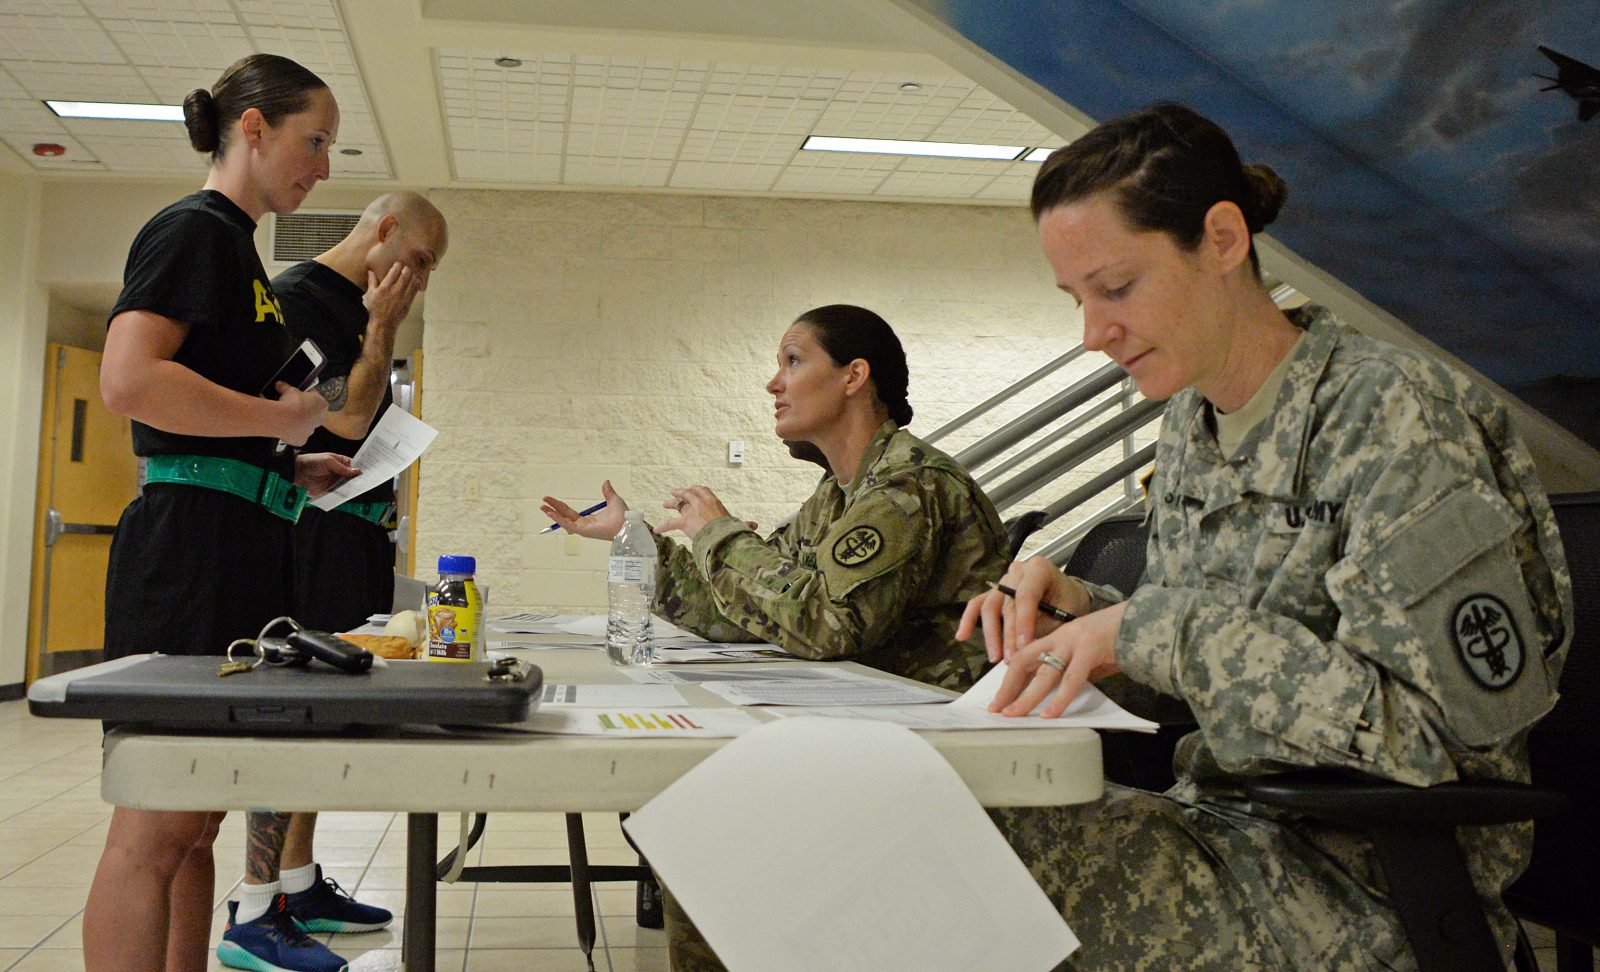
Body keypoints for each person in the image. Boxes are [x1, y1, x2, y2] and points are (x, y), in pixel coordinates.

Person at [957, 103, 1573, 969]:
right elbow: (1198, 675)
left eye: (1117, 288)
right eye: (1078, 299)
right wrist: (1079, 627)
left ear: (1220, 239)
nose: (1093, 334)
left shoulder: (1396, 415)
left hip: (1362, 889)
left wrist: (1148, 633)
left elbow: (1436, 739)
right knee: (893, 830)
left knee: (922, 870)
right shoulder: (1190, 431)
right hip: (1223, 837)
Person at [85, 54, 357, 972]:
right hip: (189, 553)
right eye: (312, 140)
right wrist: (279, 418)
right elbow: (128, 382)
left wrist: (288, 456)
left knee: (198, 823)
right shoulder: (194, 230)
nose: (322, 164)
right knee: (155, 825)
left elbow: (210, 406)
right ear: (252, 128)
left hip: (242, 543)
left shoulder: (241, 256)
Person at [541, 303, 1008, 691]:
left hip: (946, 732)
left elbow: (827, 626)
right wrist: (635, 537)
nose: (774, 383)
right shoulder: (837, 493)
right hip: (878, 711)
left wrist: (719, 534)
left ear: (853, 376)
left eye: (793, 361)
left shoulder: (907, 486)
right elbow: (748, 613)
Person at [223, 192, 449, 953]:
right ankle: (257, 907)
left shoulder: (353, 305)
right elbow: (342, 418)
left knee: (327, 715)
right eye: (417, 261)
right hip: (311, 534)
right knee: (295, 713)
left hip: (354, 533)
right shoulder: (299, 298)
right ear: (383, 233)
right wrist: (384, 327)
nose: (419, 279)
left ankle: (297, 884)